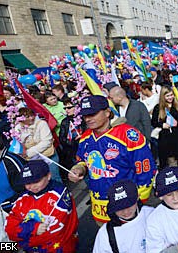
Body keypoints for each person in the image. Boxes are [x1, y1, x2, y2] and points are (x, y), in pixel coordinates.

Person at [68, 95, 155, 224]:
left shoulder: (128, 134)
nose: (88, 119)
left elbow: (145, 168)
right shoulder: (85, 137)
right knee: (109, 241)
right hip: (100, 205)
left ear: (107, 112)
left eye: (93, 114)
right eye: (85, 115)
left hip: (128, 204)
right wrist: (79, 168)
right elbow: (82, 160)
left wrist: (140, 198)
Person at [6, 160, 79, 252]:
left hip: (57, 248)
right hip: (28, 245)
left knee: (5, 247)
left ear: (48, 176)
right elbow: (9, 229)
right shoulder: (23, 198)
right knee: (2, 247)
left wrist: (21, 233)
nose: (31, 186)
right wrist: (34, 228)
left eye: (36, 181)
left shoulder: (60, 196)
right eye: (27, 183)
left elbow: (50, 234)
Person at [93, 179, 155, 253]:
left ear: (138, 197)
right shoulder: (105, 234)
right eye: (119, 208)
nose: (125, 212)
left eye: (129, 205)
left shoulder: (152, 215)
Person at [151, 86, 178, 178]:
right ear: (163, 97)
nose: (170, 97)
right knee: (171, 159)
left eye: (171, 95)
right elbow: (153, 122)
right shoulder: (158, 107)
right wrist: (162, 125)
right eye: (167, 96)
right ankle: (177, 179)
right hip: (166, 137)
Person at [16, 107, 61, 183]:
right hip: (34, 160)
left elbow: (47, 141)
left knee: (54, 178)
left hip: (48, 156)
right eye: (27, 117)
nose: (31, 118)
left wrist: (28, 153)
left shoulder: (41, 123)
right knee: (41, 181)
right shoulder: (17, 128)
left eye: (32, 115)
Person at [58, 98, 86, 183]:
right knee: (83, 174)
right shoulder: (65, 122)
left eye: (69, 107)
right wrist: (72, 141)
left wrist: (83, 136)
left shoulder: (84, 117)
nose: (66, 110)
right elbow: (62, 138)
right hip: (75, 152)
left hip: (88, 147)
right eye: (65, 108)